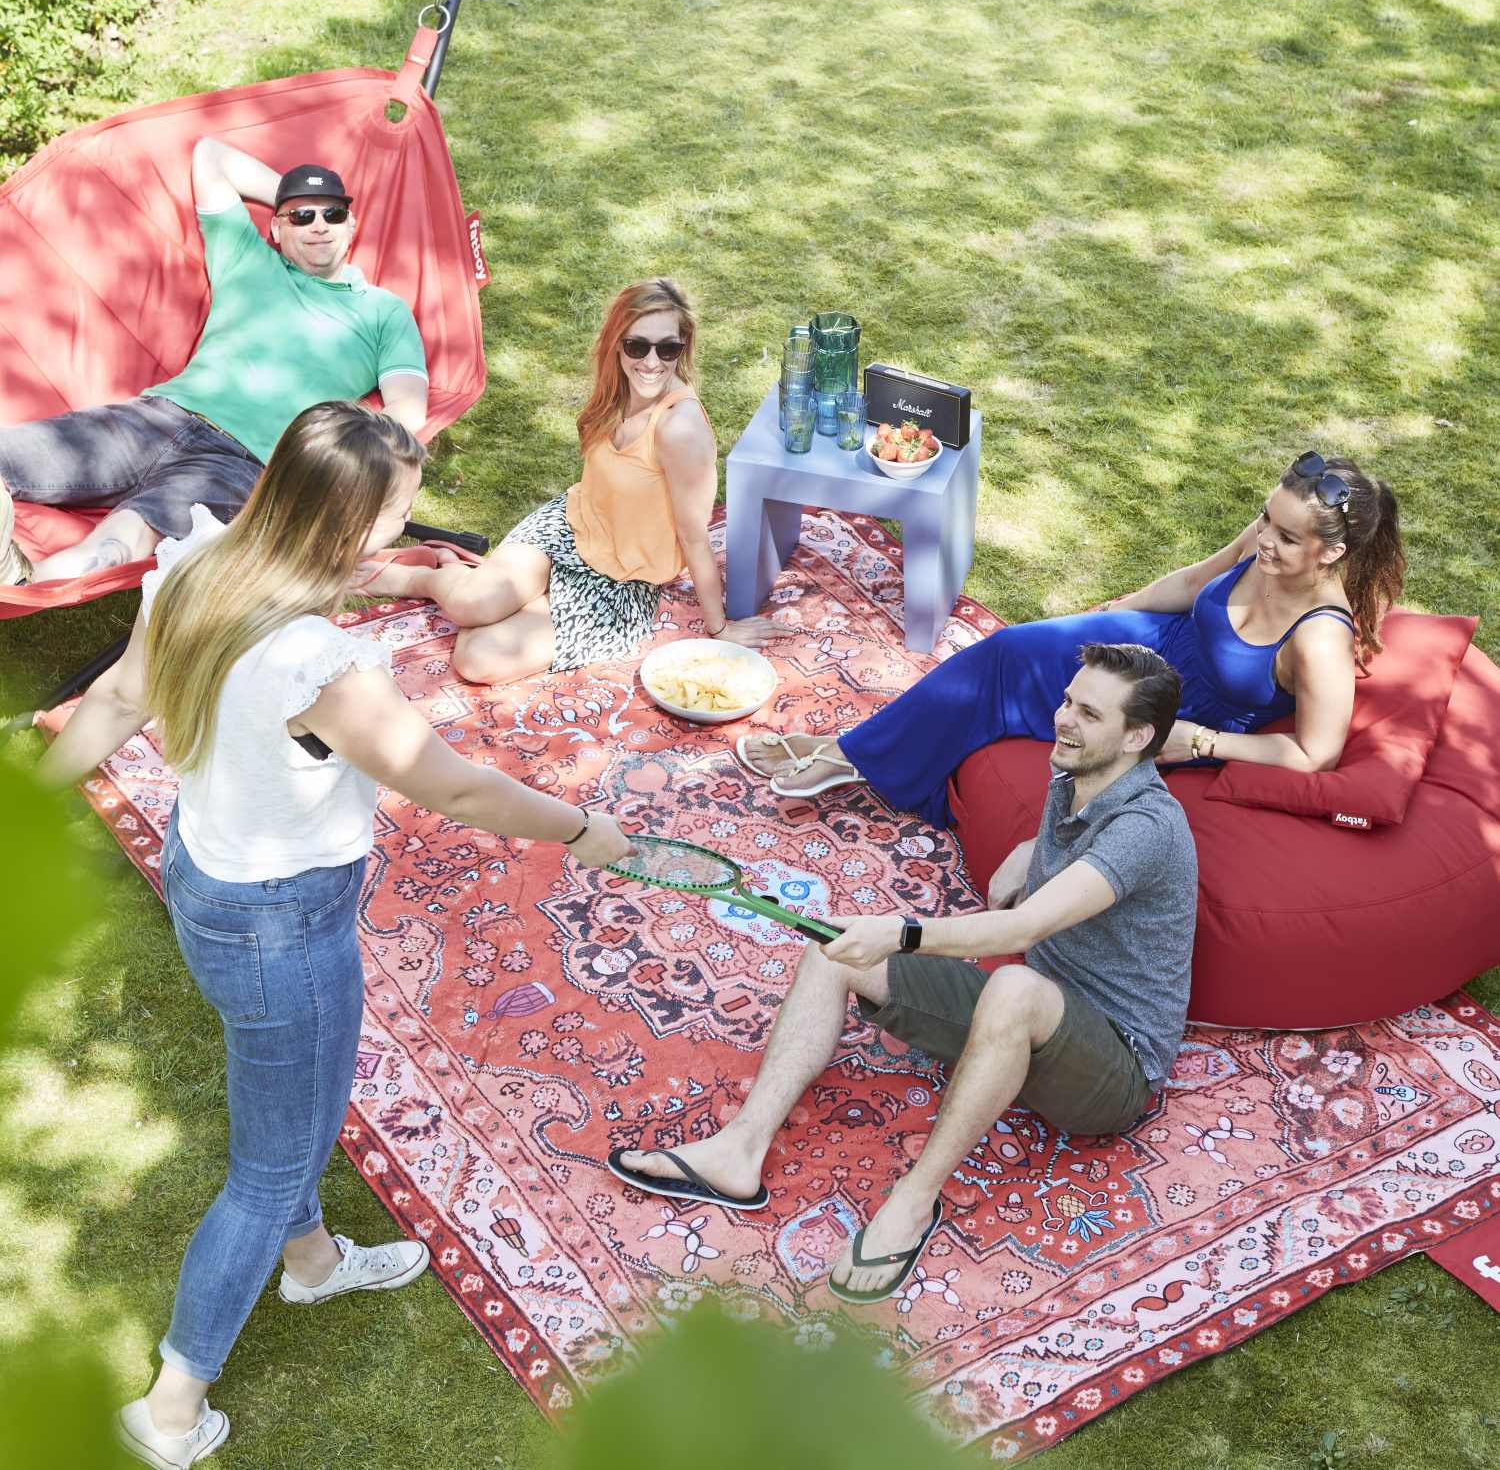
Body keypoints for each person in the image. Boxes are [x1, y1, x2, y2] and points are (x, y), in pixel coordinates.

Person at [38, 402, 630, 1469]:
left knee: (289, 1100)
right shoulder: (314, 662)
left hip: (208, 876)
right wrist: (583, 826)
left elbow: (120, 696)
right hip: (280, 922)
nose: (402, 533)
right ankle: (172, 1406)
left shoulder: (198, 562)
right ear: (348, 518)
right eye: (396, 515)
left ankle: (310, 1261)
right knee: (268, 1166)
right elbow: (451, 783)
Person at [611, 643, 1197, 1304]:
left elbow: (1022, 929)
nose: (1064, 719)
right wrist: (1032, 846)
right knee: (835, 946)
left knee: (1009, 984)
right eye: (1067, 701)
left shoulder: (1147, 828)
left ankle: (914, 1204)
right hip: (1033, 1017)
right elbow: (1085, 839)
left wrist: (904, 932)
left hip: (1112, 1070)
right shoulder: (1077, 773)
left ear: (1137, 737)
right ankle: (738, 1153)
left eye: (1089, 713)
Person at [737, 453, 1406, 823]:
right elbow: (1198, 578)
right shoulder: (1260, 545)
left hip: (1176, 714)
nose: (1264, 539)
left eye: (1286, 537)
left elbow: (1315, 752)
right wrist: (1112, 611)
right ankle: (849, 752)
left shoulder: (1319, 639)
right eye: (1266, 519)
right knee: (1009, 649)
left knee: (1037, 700)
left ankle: (845, 758)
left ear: (1332, 553)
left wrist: (1203, 742)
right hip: (1154, 640)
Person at [0, 140, 429, 586]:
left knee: (131, 535)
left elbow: (407, 412)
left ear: (351, 224)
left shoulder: (384, 311)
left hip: (242, 460)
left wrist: (335, 462)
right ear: (277, 230)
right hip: (157, 417)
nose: (319, 225)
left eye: (332, 214)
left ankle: (18, 586)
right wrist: (291, 193)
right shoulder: (247, 257)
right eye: (302, 216)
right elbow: (211, 155)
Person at [353, 277, 776, 681]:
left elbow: (695, 536)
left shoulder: (680, 428)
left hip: (622, 580)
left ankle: (482, 581)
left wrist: (720, 628)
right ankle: (427, 576)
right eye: (636, 345)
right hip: (569, 527)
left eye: (667, 349)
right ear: (616, 344)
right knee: (468, 604)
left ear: (681, 349)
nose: (651, 362)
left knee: (478, 659)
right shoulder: (618, 390)